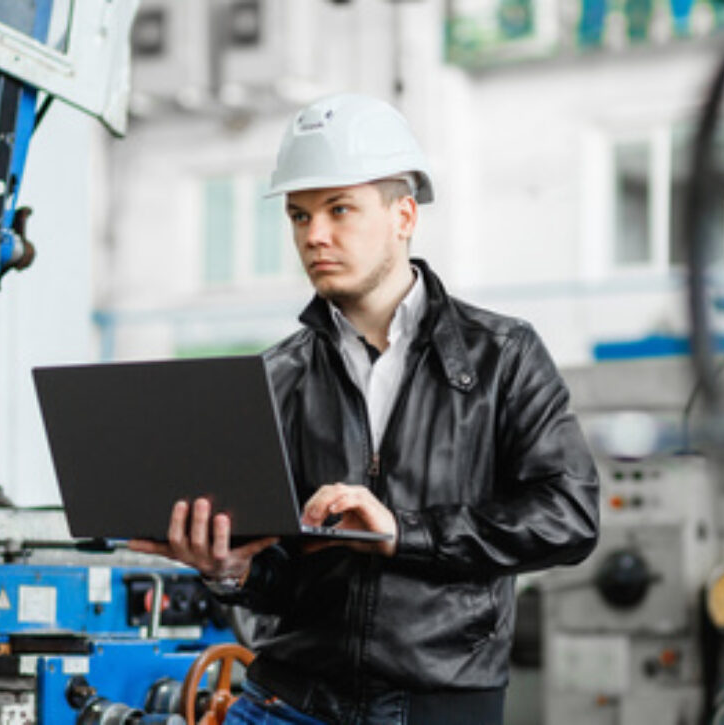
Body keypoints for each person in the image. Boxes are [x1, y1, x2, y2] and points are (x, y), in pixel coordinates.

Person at [130, 93, 599, 725]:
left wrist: (404, 533)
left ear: (403, 215)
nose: (314, 235)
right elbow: (287, 572)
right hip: (287, 700)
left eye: (339, 209)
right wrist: (232, 570)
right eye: (299, 215)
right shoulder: (278, 376)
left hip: (438, 704)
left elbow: (568, 515)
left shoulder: (503, 356)